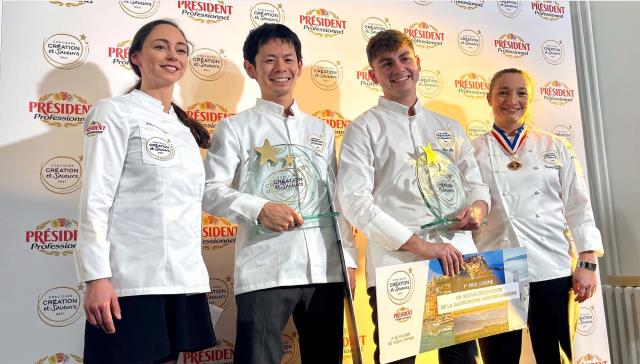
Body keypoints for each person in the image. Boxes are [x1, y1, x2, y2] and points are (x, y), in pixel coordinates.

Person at [202, 23, 357, 364]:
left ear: (299, 65)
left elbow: (336, 201)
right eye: (269, 60)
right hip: (264, 270)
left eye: (288, 58)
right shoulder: (235, 128)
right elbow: (209, 190)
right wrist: (259, 208)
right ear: (250, 67)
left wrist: (348, 262)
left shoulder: (321, 130)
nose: (280, 68)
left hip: (325, 272)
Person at [336, 29, 490, 364]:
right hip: (398, 267)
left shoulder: (449, 126)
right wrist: (423, 247)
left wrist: (477, 209)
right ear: (372, 75)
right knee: (398, 361)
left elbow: (476, 185)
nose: (398, 68)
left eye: (404, 58)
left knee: (463, 359)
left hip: (459, 261)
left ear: (417, 63)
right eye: (386, 63)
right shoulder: (363, 128)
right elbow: (355, 202)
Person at [74, 19, 215, 364]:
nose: (173, 55)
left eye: (181, 49)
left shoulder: (183, 129)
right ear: (135, 56)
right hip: (130, 282)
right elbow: (95, 198)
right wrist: (96, 277)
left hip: (179, 280)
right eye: (160, 46)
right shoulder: (113, 112)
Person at [472, 68, 604, 363]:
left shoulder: (555, 146)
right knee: (499, 358)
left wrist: (587, 260)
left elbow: (578, 205)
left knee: (554, 356)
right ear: (489, 98)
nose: (512, 100)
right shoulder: (473, 151)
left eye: (521, 92)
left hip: (550, 268)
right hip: (495, 271)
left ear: (530, 98)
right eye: (503, 92)